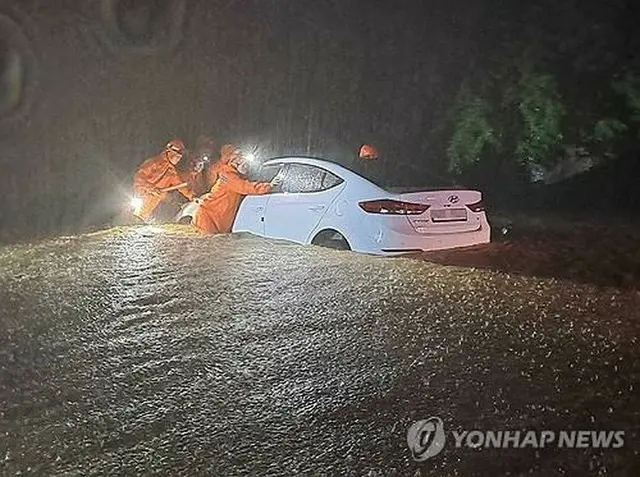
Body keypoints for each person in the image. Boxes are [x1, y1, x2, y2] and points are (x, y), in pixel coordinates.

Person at [192, 150, 277, 234]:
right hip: (208, 217)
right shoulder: (229, 176)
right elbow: (245, 187)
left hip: (214, 218)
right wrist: (269, 186)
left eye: (247, 165)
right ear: (235, 164)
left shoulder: (234, 176)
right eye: (244, 165)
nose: (247, 167)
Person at [133, 138, 196, 222]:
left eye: (180, 157)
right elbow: (139, 177)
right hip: (141, 195)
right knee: (130, 218)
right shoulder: (153, 162)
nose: (179, 158)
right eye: (177, 155)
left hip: (152, 203)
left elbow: (180, 186)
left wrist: (192, 196)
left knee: (141, 220)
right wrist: (150, 188)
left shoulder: (172, 172)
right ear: (169, 151)